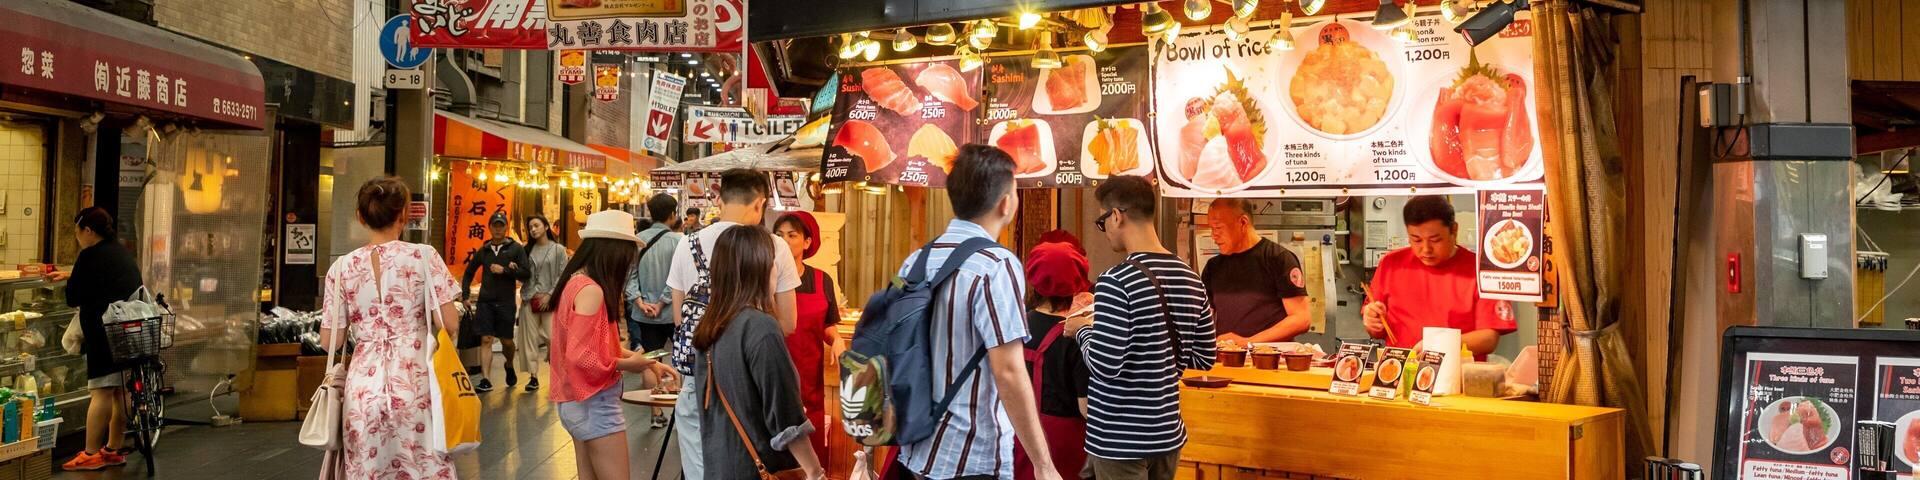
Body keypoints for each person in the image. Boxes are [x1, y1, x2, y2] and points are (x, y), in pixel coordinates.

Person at [893, 144, 1060, 480]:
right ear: (1006, 202)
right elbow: (1010, 370)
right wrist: (1043, 464)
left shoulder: (916, 261)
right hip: (970, 454)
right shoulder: (996, 265)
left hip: (916, 450)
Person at [1065, 175, 1218, 480]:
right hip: (1166, 435)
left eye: (1102, 222)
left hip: (1119, 439)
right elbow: (1204, 358)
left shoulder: (1115, 281)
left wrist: (1081, 330)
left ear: (1117, 216)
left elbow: (1105, 365)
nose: (1105, 231)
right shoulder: (1190, 277)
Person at [316, 177, 463, 479]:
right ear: (404, 214)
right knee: (422, 466)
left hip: (362, 390)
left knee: (369, 469)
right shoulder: (423, 257)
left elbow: (329, 340)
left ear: (361, 216)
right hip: (416, 381)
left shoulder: (342, 268)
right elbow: (448, 323)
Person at [667, 168, 802, 480]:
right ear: (760, 203)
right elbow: (789, 322)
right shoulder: (773, 246)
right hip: (750, 388)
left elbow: (679, 320)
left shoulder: (686, 245)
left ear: (718, 197)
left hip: (696, 385)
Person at [547, 210, 679, 480]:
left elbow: (595, 346)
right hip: (594, 404)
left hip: (574, 402)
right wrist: (629, 365)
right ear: (614, 252)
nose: (629, 264)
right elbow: (580, 356)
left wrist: (648, 362)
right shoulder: (592, 290)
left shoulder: (575, 282)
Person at [693, 226, 826, 480]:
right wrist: (815, 472)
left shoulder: (710, 324)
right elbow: (786, 416)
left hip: (719, 466)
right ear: (760, 268)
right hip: (759, 470)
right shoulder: (760, 326)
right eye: (773, 262)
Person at [1362, 195, 1516, 360]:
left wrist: (1436, 345)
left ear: (1454, 230)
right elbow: (1376, 329)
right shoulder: (1391, 264)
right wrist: (1371, 320)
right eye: (1416, 240)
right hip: (1401, 372)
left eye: (1435, 240)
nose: (1426, 249)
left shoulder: (1482, 270)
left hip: (1458, 377)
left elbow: (1488, 339)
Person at [56, 207, 140, 471]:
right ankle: (114, 448)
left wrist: (73, 278)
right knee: (120, 391)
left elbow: (73, 297)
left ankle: (91, 453)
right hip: (128, 330)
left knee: (101, 390)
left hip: (103, 332)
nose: (77, 237)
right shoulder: (121, 252)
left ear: (88, 231)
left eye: (77, 232)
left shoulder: (90, 255)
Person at [1012, 237, 1094, 480]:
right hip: (1064, 445)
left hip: (1019, 435)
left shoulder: (1015, 325)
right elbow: (1086, 407)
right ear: (1077, 283)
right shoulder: (1076, 333)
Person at [772, 210, 842, 457]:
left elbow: (828, 325)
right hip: (772, 376)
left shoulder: (822, 280)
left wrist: (837, 340)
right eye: (779, 235)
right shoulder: (766, 279)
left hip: (809, 380)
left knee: (811, 456)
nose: (784, 240)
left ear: (808, 242)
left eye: (792, 235)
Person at [1201, 198, 1311, 347]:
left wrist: (1248, 343)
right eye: (1211, 229)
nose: (1213, 235)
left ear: (1243, 222)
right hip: (1226, 362)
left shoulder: (1278, 258)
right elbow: (1204, 319)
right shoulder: (1213, 267)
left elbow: (1301, 319)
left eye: (1218, 228)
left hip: (1269, 362)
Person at [625, 193, 683, 427]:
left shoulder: (637, 240)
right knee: (680, 360)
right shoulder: (678, 242)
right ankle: (680, 411)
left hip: (644, 314)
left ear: (650, 213)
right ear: (672, 215)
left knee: (650, 359)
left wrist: (639, 301)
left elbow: (629, 276)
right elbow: (677, 278)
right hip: (672, 313)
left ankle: (655, 413)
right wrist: (662, 302)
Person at [460, 211, 531, 392]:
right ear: (490, 227)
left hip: (506, 302)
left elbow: (526, 274)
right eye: (495, 225)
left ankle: (509, 363)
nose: (498, 229)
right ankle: (486, 380)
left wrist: (506, 270)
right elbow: (469, 273)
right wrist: (466, 295)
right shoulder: (484, 250)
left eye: (501, 225)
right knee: (486, 339)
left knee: (507, 341)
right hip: (485, 302)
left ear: (506, 227)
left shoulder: (516, 248)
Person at [517, 214, 568, 393]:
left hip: (549, 301)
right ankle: (533, 376)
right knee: (529, 340)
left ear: (546, 227)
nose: (533, 229)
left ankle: (557, 373)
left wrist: (550, 295)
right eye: (530, 227)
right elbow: (523, 274)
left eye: (537, 225)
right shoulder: (525, 251)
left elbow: (562, 275)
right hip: (529, 299)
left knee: (552, 338)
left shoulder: (558, 250)